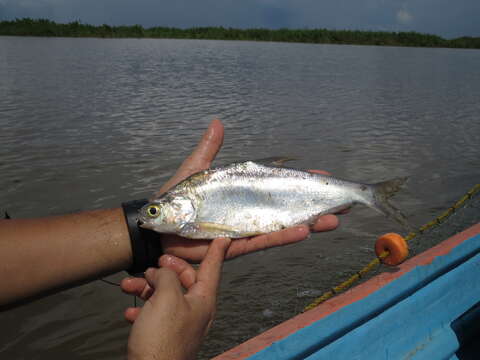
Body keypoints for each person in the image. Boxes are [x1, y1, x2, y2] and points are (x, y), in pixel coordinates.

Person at [0, 119, 340, 359]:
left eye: (153, 214)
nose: (149, 220)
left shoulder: (190, 205)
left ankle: (356, 194)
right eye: (151, 215)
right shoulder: (184, 212)